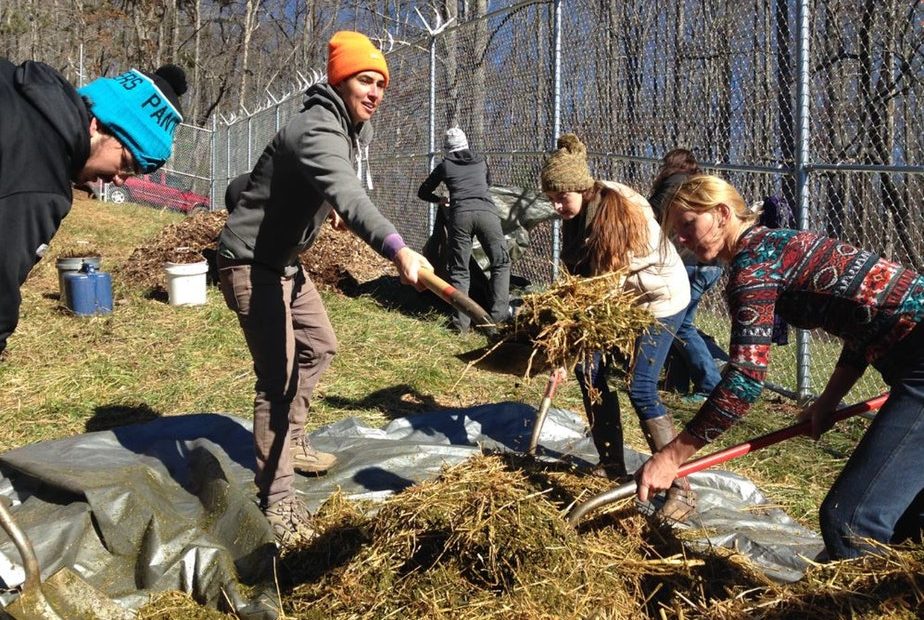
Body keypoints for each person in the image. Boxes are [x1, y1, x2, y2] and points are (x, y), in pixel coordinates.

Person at [216, 31, 433, 548]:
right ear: (340, 80)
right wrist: (397, 246)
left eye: (381, 83)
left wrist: (318, 207)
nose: (376, 92)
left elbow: (305, 183)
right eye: (366, 79)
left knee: (320, 345)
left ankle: (291, 440)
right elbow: (349, 191)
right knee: (279, 381)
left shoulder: (334, 126)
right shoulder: (318, 127)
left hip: (284, 264)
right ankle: (278, 498)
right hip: (252, 265)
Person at [638, 173, 924, 559]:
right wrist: (828, 400)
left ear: (722, 213)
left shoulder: (753, 265)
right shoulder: (773, 245)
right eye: (677, 232)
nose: (682, 239)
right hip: (912, 362)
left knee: (853, 522)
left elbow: (744, 381)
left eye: (688, 225)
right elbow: (862, 324)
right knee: (907, 525)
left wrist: (671, 457)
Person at [540, 133, 695, 521]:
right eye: (551, 197)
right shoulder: (578, 214)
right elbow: (578, 278)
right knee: (589, 373)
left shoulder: (616, 214)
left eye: (562, 196)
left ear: (582, 187)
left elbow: (601, 288)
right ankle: (610, 463)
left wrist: (569, 335)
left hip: (660, 299)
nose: (557, 205)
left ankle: (681, 489)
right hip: (622, 299)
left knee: (640, 385)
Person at [0, 59, 187, 357]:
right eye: (126, 163)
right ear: (97, 124)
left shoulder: (12, 82)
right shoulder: (41, 178)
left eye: (133, 173)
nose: (118, 180)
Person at [417, 127, 510, 333]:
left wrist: (440, 199)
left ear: (447, 149)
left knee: (460, 270)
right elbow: (488, 184)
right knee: (500, 263)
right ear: (466, 144)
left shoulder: (445, 166)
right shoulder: (481, 161)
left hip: (460, 217)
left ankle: (461, 326)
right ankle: (497, 321)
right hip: (487, 214)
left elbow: (422, 192)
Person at [648, 149, 723, 403]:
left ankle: (711, 385)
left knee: (680, 325)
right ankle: (675, 383)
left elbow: (649, 220)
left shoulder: (671, 187)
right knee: (676, 323)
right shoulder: (698, 186)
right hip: (711, 263)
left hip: (688, 264)